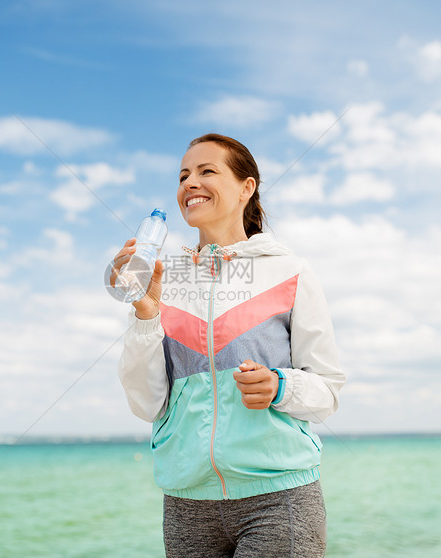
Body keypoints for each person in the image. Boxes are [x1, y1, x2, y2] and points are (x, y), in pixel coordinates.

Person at [113, 133, 346, 557]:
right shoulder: (166, 280)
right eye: (183, 175)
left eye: (206, 171)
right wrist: (146, 313)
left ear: (246, 187)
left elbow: (327, 390)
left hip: (278, 499)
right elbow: (147, 404)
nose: (189, 183)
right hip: (186, 502)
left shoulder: (291, 272)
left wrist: (279, 386)